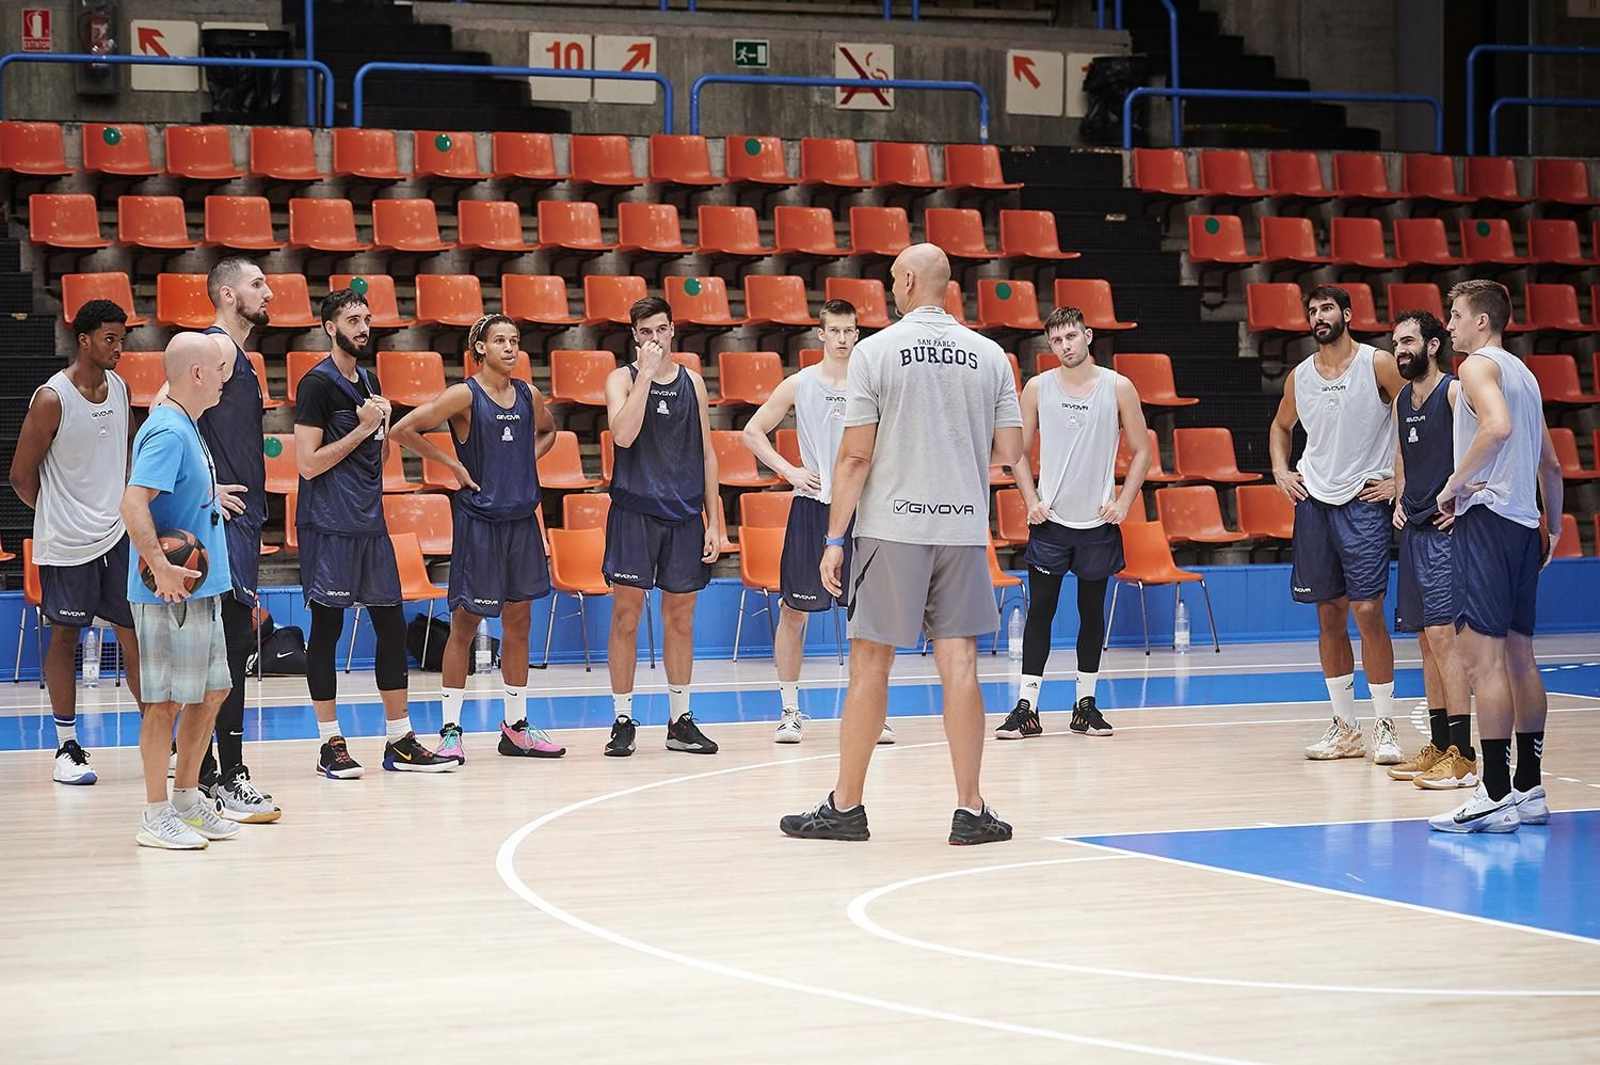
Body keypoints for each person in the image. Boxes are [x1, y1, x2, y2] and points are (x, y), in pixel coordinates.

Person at [780, 243, 1023, 845]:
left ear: (909, 280)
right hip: (963, 527)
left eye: (893, 280)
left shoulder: (875, 351)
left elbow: (855, 454)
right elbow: (1012, 452)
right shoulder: (991, 355)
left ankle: (846, 807)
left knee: (869, 662)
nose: (892, 289)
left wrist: (834, 537)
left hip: (891, 528)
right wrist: (956, 459)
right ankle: (970, 809)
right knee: (960, 663)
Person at [391, 313, 564, 759]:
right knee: (465, 625)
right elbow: (402, 430)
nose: (511, 348)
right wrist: (451, 465)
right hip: (480, 524)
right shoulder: (463, 396)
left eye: (516, 341)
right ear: (480, 348)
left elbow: (549, 431)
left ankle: (517, 725)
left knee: (519, 622)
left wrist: (527, 462)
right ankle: (451, 730)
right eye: (500, 341)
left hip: (522, 522)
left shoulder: (529, 394)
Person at [297, 289, 454, 777]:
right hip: (328, 526)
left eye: (367, 319)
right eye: (352, 320)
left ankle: (399, 740)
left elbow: (376, 461)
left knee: (390, 625)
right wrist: (363, 429)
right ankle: (330, 743)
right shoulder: (315, 386)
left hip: (369, 523)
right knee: (327, 629)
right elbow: (306, 466)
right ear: (330, 327)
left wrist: (380, 433)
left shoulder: (368, 380)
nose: (364, 327)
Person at [1429, 280, 1563, 833]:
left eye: (1456, 316)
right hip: (1524, 525)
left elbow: (1497, 427)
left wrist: (1454, 484)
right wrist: (1550, 527)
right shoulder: (1525, 375)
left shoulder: (1476, 368)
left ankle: (1493, 794)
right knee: (1519, 656)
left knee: (1483, 663)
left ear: (1482, 322)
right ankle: (1529, 788)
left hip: (1485, 521)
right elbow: (1551, 466)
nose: (1451, 326)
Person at [994, 305, 1150, 741]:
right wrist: (1031, 500)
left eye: (1071, 337)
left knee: (1091, 614)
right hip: (1051, 522)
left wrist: (1123, 502)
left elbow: (1142, 451)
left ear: (1088, 336)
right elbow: (1016, 452)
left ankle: (1085, 706)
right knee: (1041, 612)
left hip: (1098, 524)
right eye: (1056, 340)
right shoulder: (1037, 387)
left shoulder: (1119, 387)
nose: (1064, 346)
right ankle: (1027, 709)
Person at [742, 299, 893, 746]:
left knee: (870, 620)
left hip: (864, 512)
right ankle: (790, 711)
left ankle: (872, 714)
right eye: (836, 331)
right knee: (794, 612)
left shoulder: (873, 385)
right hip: (812, 508)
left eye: (851, 331)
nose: (844, 338)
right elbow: (752, 431)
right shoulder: (800, 384)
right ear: (821, 335)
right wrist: (788, 471)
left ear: (857, 335)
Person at [9, 300, 144, 785]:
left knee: (135, 635)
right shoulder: (52, 398)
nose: (120, 348)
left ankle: (158, 736)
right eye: (111, 338)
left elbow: (127, 452)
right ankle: (67, 746)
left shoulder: (122, 388)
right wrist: (59, 512)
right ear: (83, 340)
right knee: (65, 637)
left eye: (122, 338)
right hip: (66, 543)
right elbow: (21, 477)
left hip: (117, 535)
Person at [1269, 284, 1404, 764]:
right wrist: (1281, 471)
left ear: (1347, 314)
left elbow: (1416, 416)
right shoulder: (1300, 376)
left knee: (1367, 612)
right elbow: (1280, 427)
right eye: (1312, 310)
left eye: (1327, 308)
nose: (1319, 316)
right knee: (1328, 615)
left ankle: (1386, 724)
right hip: (1314, 505)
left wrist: (1399, 483)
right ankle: (1345, 728)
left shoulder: (1378, 363)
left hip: (1364, 500)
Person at [122, 333, 244, 849]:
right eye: (220, 369)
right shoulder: (169, 430)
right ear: (197, 374)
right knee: (165, 702)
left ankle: (188, 801)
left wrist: (206, 494)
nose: (225, 377)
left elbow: (172, 491)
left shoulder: (186, 424)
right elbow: (132, 504)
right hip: (169, 593)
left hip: (203, 588)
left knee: (213, 691)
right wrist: (161, 568)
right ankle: (154, 814)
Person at [601, 296, 721, 757]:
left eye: (661, 330)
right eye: (645, 331)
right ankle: (623, 718)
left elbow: (707, 453)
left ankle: (679, 719)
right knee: (627, 617)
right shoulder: (621, 378)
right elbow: (624, 435)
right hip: (635, 512)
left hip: (686, 514)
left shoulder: (692, 380)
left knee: (681, 619)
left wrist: (716, 520)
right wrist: (646, 377)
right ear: (635, 336)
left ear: (673, 331)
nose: (654, 338)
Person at [194, 257, 280, 822]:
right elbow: (164, 413)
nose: (268, 291)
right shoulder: (216, 349)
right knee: (221, 653)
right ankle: (216, 778)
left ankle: (220, 774)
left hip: (244, 522)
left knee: (232, 651)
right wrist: (205, 487)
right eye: (257, 284)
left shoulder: (242, 356)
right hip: (221, 524)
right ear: (227, 295)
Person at [1384, 310, 1477, 791]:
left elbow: (1488, 444)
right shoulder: (1403, 397)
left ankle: (1463, 756)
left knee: (1445, 641)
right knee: (1424, 641)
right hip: (1414, 529)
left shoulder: (1457, 391)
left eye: (1407, 341)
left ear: (1434, 345)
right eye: (1395, 342)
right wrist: (1400, 495)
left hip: (1445, 533)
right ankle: (1440, 747)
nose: (1399, 350)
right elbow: (1402, 454)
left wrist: (1465, 497)